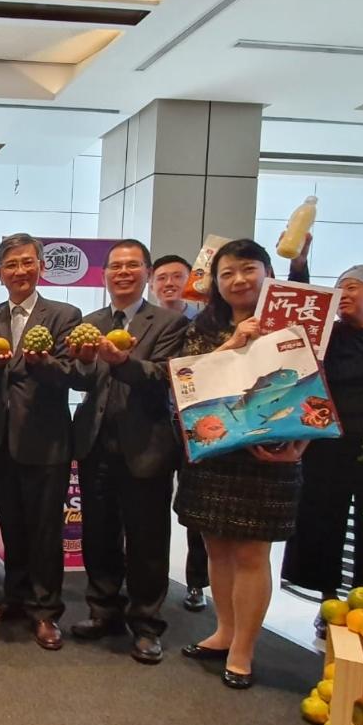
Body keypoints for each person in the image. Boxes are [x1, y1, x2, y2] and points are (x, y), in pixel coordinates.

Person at [174, 239, 306, 689]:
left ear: (268, 272)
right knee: (217, 547)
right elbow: (186, 380)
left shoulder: (290, 325)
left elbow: (315, 386)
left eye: (248, 269)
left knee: (252, 552)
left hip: (270, 455)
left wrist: (301, 446)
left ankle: (244, 649)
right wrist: (232, 344)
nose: (238, 280)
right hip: (214, 450)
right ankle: (223, 631)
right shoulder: (204, 327)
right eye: (227, 273)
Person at [69, 240, 188, 664]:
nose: (123, 272)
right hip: (96, 442)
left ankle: (146, 624)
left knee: (147, 539)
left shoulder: (170, 323)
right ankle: (103, 611)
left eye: (132, 266)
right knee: (98, 534)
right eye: (115, 266)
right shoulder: (91, 321)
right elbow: (82, 381)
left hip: (147, 445)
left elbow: (165, 376)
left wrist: (122, 360)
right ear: (104, 274)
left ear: (147, 273)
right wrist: (81, 363)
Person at [282, 261, 363, 630]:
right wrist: (300, 265)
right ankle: (328, 604)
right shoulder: (328, 337)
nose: (345, 292)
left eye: (355, 286)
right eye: (341, 286)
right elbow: (300, 309)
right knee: (321, 520)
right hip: (325, 444)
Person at [0, 234, 82, 650]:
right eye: (11, 265)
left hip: (44, 440)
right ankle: (14, 598)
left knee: (45, 529)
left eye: (26, 263)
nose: (19, 271)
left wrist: (43, 362)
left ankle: (46, 611)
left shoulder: (64, 315)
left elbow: (72, 373)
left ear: (40, 268)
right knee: (12, 527)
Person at [150, 253, 211, 612]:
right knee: (151, 509)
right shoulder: (145, 322)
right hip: (156, 426)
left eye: (177, 277)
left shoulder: (203, 324)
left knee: (194, 508)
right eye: (162, 278)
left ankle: (195, 582)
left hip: (196, 426)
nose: (169, 283)